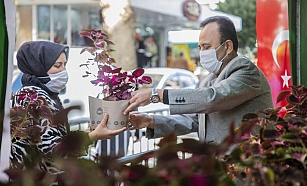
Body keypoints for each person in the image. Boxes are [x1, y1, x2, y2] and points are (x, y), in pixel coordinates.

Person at [124, 16, 273, 144]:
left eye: (207, 47)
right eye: (200, 47)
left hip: (246, 167)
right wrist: (151, 121)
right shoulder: (210, 79)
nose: (202, 53)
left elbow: (213, 99)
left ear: (227, 46)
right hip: (219, 167)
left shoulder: (245, 70)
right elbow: (196, 120)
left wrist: (157, 94)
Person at [10, 41, 126, 173]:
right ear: (38, 67)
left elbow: (54, 137)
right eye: (57, 65)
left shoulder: (39, 93)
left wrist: (86, 133)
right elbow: (53, 149)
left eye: (64, 65)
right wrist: (92, 137)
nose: (63, 71)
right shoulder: (33, 98)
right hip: (40, 185)